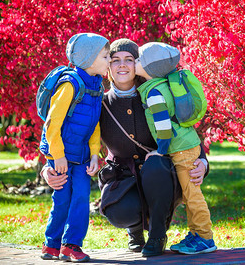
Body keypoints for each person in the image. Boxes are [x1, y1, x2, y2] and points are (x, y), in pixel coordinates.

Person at [41, 38, 209, 258]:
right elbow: (70, 130)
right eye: (115, 59)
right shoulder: (97, 101)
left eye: (129, 59)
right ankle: (135, 230)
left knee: (155, 165)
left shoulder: (155, 93)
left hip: (162, 177)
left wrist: (203, 161)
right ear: (107, 67)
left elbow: (183, 130)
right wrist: (49, 166)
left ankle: (157, 235)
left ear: (139, 65)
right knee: (119, 211)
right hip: (123, 178)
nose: (122, 65)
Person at [135, 42, 216, 255]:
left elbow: (163, 126)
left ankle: (204, 237)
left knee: (192, 194)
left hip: (181, 149)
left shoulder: (153, 93)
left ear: (149, 68)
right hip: (186, 145)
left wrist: (161, 150)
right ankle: (198, 234)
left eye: (137, 60)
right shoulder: (163, 86)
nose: (134, 62)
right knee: (191, 193)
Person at [39, 33, 110, 262]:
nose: (109, 60)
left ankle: (71, 245)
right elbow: (52, 123)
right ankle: (51, 244)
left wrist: (93, 155)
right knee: (62, 199)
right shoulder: (70, 85)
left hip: (81, 157)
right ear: (90, 60)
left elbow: (94, 127)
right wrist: (57, 156)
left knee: (80, 198)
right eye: (106, 56)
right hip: (60, 155)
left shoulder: (97, 87)